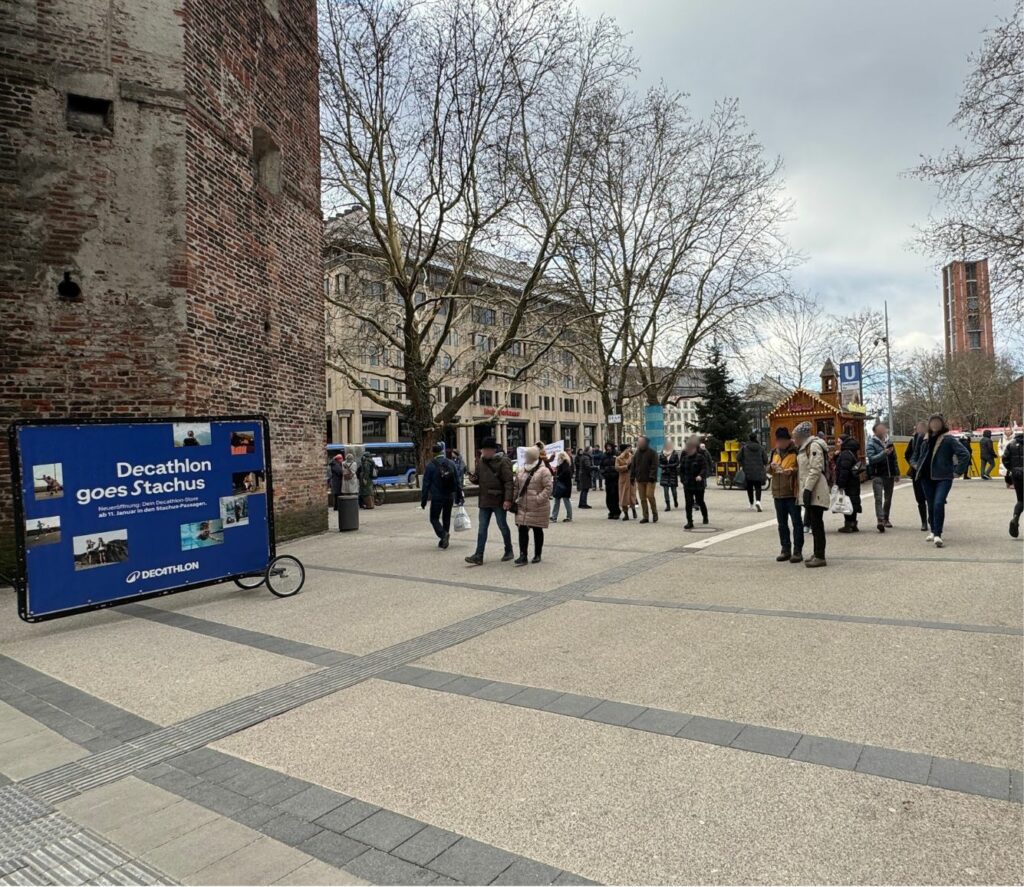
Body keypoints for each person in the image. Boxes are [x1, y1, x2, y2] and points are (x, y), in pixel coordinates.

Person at [917, 413, 971, 548]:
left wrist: (957, 471)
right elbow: (917, 456)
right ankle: (933, 530)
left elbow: (964, 454)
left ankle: (938, 534)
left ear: (942, 424)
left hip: (943, 477)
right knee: (930, 504)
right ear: (929, 424)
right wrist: (916, 466)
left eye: (937, 422)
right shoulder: (925, 439)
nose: (935, 425)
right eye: (932, 422)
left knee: (938, 503)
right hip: (926, 477)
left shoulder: (948, 439)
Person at [465, 437, 515, 565]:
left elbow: (509, 482)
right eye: (483, 450)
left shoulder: (503, 461)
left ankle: (509, 550)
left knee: (502, 526)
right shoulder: (481, 462)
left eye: (486, 450)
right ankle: (478, 555)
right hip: (484, 501)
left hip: (498, 500)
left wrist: (508, 499)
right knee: (482, 528)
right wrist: (473, 478)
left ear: (493, 450)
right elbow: (478, 479)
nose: (484, 452)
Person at [793, 421, 830, 567]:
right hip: (811, 490)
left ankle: (820, 556)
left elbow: (815, 469)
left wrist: (807, 489)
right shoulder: (804, 448)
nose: (793, 440)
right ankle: (817, 552)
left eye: (795, 437)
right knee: (815, 523)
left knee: (817, 524)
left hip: (816, 490)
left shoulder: (813, 446)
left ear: (801, 436)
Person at [768, 426, 803, 562]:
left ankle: (797, 551)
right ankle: (785, 549)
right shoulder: (774, 453)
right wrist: (771, 467)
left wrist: (792, 471)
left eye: (783, 440)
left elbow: (801, 469)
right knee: (782, 524)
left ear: (789, 440)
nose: (781, 443)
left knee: (796, 523)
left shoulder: (796, 452)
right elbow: (767, 469)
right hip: (777, 493)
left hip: (791, 492)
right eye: (779, 441)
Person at [514, 446, 553, 565]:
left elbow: (548, 487)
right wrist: (513, 499)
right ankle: (523, 555)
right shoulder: (521, 469)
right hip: (523, 505)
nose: (525, 457)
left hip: (538, 506)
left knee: (537, 529)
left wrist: (538, 499)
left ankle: (537, 554)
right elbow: (517, 486)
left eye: (527, 455)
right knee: (522, 530)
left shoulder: (543, 471)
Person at [420, 443, 464, 549]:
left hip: (437, 496)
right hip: (449, 495)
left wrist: (424, 500)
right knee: (446, 518)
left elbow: (425, 484)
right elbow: (457, 481)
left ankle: (443, 535)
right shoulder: (451, 463)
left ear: (433, 453)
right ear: (442, 452)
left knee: (434, 518)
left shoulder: (430, 466)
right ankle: (444, 539)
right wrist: (459, 496)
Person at [866, 422, 899, 532]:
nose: (883, 431)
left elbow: (894, 459)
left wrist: (896, 473)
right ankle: (880, 519)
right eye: (880, 429)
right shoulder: (871, 443)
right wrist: (884, 453)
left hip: (889, 474)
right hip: (877, 474)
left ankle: (886, 518)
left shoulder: (889, 442)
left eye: (884, 429)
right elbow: (871, 459)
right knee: (878, 498)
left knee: (888, 498)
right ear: (875, 432)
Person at [680, 436, 709, 529]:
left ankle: (705, 516)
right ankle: (689, 521)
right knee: (688, 503)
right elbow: (681, 470)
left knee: (700, 501)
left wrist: (701, 475)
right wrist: (683, 480)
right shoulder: (685, 458)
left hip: (698, 484)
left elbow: (705, 468)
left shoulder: (700, 457)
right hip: (688, 484)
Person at [834, 434, 862, 533]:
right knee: (853, 502)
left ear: (843, 442)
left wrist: (841, 484)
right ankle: (853, 524)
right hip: (854, 481)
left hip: (848, 483)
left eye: (839, 441)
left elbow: (844, 470)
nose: (837, 444)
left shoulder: (845, 453)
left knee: (846, 503)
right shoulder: (851, 451)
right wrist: (836, 456)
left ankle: (848, 525)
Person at [905, 420, 930, 531]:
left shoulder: (931, 440)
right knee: (920, 499)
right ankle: (924, 522)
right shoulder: (913, 440)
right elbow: (907, 455)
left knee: (930, 497)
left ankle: (930, 519)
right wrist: (914, 464)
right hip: (917, 473)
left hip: (929, 473)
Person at [631, 435, 659, 523]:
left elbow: (654, 466)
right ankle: (645, 516)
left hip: (650, 479)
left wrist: (652, 476)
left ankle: (655, 513)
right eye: (638, 442)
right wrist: (632, 477)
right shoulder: (637, 453)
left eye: (641, 442)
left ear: (646, 443)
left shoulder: (652, 453)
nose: (639, 443)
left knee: (650, 496)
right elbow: (633, 466)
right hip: (640, 479)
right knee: (642, 498)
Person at [1001, 429, 1023, 538]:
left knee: (1020, 500)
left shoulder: (1012, 444)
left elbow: (1005, 459)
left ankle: (1015, 517)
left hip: (1017, 474)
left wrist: (1012, 469)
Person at [738, 433, 768, 512]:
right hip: (759, 471)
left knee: (749, 488)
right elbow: (765, 460)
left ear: (749, 438)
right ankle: (758, 501)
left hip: (748, 471)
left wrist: (742, 464)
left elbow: (738, 457)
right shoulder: (761, 448)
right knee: (758, 487)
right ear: (756, 438)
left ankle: (751, 503)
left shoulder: (744, 448)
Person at [615, 443, 637, 520]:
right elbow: (617, 468)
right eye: (628, 448)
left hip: (631, 479)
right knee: (623, 497)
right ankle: (626, 514)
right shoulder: (618, 458)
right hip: (623, 479)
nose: (629, 450)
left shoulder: (632, 457)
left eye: (629, 448)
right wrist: (626, 467)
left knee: (632, 496)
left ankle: (633, 509)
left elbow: (636, 467)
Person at [550, 451, 574, 522]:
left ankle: (555, 517)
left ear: (561, 457)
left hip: (563, 485)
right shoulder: (566, 463)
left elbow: (565, 473)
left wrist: (558, 476)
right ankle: (568, 516)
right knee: (565, 500)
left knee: (559, 500)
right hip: (565, 485)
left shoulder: (564, 464)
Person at [659, 441, 680, 512]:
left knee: (674, 491)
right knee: (665, 491)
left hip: (673, 473)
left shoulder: (675, 453)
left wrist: (670, 466)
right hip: (665, 474)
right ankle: (668, 505)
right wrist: (664, 466)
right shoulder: (662, 454)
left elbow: (677, 462)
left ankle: (675, 500)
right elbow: (659, 463)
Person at [602, 444, 621, 519]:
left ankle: (616, 511)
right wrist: (604, 473)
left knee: (615, 496)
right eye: (607, 447)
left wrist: (615, 471)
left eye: (609, 447)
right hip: (608, 479)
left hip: (616, 479)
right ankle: (611, 511)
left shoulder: (617, 455)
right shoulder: (604, 456)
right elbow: (601, 466)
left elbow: (620, 465)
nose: (608, 448)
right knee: (608, 496)